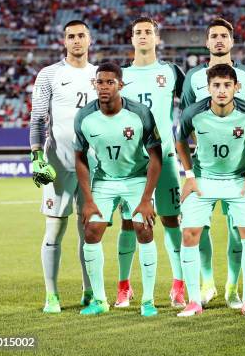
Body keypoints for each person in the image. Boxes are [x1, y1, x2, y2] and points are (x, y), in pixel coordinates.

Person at [179, 17, 245, 308]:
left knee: (239, 230)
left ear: (232, 41)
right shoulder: (192, 78)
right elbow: (188, 120)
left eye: (224, 35)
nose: (218, 40)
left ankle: (232, 287)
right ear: (206, 41)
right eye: (213, 35)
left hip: (237, 168)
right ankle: (208, 282)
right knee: (200, 229)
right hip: (203, 169)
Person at [74, 62, 163, 316]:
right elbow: (79, 158)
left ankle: (148, 301)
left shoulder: (140, 113)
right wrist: (88, 200)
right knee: (91, 231)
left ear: (120, 85)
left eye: (110, 82)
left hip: (136, 178)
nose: (104, 87)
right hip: (104, 180)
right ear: (95, 85)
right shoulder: (84, 117)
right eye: (99, 82)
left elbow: (156, 157)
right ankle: (100, 301)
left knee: (143, 230)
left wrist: (146, 199)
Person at [116, 17, 186, 308]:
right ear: (131, 39)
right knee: (128, 222)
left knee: (171, 219)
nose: (143, 36)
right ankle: (124, 286)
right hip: (132, 162)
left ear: (157, 38)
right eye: (137, 32)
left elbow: (192, 107)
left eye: (148, 32)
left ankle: (179, 286)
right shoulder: (119, 74)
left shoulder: (171, 72)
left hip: (166, 157)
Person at [29, 20, 97, 313]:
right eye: (71, 36)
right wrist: (36, 156)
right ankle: (51, 295)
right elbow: (37, 119)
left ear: (89, 39)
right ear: (64, 41)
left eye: (81, 35)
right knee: (54, 230)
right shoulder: (49, 74)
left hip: (91, 164)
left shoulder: (99, 75)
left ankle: (89, 291)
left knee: (89, 232)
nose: (76, 41)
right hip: (57, 163)